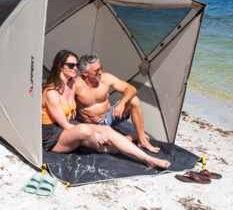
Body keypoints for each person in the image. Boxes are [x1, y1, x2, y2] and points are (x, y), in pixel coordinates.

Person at [42, 49, 170, 169]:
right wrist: (94, 134)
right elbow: (62, 121)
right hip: (56, 134)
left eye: (76, 65)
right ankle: (114, 143)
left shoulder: (72, 84)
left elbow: (131, 89)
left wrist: (121, 104)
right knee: (86, 130)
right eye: (71, 65)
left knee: (111, 126)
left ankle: (148, 158)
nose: (75, 68)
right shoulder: (62, 88)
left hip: (87, 123)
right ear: (60, 66)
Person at [75, 54, 160, 153]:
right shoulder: (76, 85)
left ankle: (142, 140)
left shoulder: (106, 78)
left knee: (134, 100)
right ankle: (130, 137)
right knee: (101, 144)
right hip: (95, 126)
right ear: (84, 73)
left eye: (100, 68)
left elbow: (131, 89)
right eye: (96, 71)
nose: (100, 72)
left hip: (110, 116)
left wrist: (122, 103)